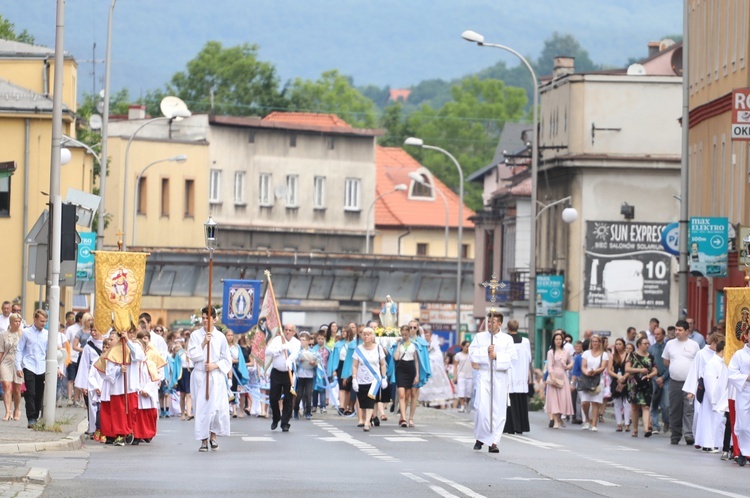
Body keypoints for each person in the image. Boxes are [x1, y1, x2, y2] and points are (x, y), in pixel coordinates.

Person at [469, 310, 516, 453]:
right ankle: (480, 437)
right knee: (482, 409)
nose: (489, 324)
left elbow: (512, 358)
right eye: (488, 321)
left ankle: (494, 441)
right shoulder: (480, 337)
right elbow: (472, 355)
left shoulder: (507, 339)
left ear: (499, 323)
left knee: (497, 410)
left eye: (493, 322)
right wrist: (485, 351)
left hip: (499, 376)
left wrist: (497, 356)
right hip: (484, 375)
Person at [187, 306, 231, 451]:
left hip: (215, 377)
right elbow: (191, 355)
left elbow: (226, 360)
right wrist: (203, 343)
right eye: (203, 318)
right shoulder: (195, 335)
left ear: (214, 319)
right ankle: (203, 440)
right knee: (202, 409)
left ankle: (213, 436)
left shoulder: (220, 337)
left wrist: (215, 365)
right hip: (200, 376)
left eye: (208, 318)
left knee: (216, 409)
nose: (205, 321)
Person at [96, 328, 146, 446]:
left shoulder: (135, 346)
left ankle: (128, 430)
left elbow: (139, 356)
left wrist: (128, 341)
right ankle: (119, 435)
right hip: (118, 387)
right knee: (118, 412)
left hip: (131, 386)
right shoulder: (113, 351)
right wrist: (119, 369)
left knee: (132, 410)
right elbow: (108, 372)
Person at [662, 319, 700, 445]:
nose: (677, 332)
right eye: (676, 329)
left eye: (680, 330)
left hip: (689, 383)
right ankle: (675, 434)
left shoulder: (694, 345)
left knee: (689, 408)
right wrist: (676, 368)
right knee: (674, 409)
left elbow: (698, 363)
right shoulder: (670, 344)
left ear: (687, 331)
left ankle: (689, 434)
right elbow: (666, 361)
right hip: (675, 382)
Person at [683, 332, 719, 450]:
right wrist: (691, 390)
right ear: (713, 342)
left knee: (715, 417)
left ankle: (712, 441)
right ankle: (701, 440)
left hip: (716, 388)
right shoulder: (701, 354)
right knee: (700, 415)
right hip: (703, 388)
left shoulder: (720, 354)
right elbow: (694, 371)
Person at [14, 309, 48, 428]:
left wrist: (57, 368)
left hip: (42, 367)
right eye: (41, 321)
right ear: (35, 319)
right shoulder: (26, 332)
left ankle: (36, 415)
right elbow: (19, 350)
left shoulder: (47, 334)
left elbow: (50, 352)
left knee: (39, 394)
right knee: (30, 393)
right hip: (29, 366)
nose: (43, 324)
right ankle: (31, 418)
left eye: (45, 321)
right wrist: (18, 366)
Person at [265, 322, 301, 433]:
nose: (288, 332)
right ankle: (276, 417)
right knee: (273, 398)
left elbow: (295, 354)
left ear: (294, 332)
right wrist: (279, 349)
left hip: (288, 373)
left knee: (288, 399)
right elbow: (267, 351)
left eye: (290, 330)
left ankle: (285, 423)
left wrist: (289, 360)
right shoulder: (277, 340)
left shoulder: (297, 342)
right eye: (286, 329)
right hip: (276, 372)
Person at [352, 327, 387, 431]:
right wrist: (354, 379)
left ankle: (367, 422)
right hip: (361, 379)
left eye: (368, 334)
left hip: (374, 379)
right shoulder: (358, 349)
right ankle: (366, 419)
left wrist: (384, 377)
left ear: (372, 336)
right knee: (363, 401)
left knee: (370, 400)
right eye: (364, 334)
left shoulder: (378, 348)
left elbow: (383, 364)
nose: (366, 336)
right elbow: (355, 365)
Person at [74, 326, 105, 437]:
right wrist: (83, 385)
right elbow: (84, 366)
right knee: (92, 405)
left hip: (105, 377)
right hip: (92, 377)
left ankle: (103, 428)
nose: (93, 333)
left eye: (95, 330)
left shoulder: (107, 343)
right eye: (91, 330)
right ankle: (93, 427)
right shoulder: (88, 346)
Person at [699, 339, 728, 454]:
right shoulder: (712, 363)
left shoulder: (722, 362)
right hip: (714, 398)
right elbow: (710, 383)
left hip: (720, 398)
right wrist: (714, 400)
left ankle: (715, 443)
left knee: (717, 422)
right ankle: (709, 444)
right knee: (711, 421)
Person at [625, 337, 657, 437]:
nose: (647, 345)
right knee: (635, 407)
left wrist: (649, 375)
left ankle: (647, 428)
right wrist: (640, 370)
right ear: (639, 345)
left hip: (646, 383)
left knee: (646, 406)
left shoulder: (650, 357)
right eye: (645, 343)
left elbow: (655, 370)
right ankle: (635, 429)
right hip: (634, 383)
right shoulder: (632, 355)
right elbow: (627, 369)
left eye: (648, 343)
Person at [418, 325, 454, 408]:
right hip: (426, 366)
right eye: (425, 335)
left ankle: (436, 400)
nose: (427, 336)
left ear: (431, 336)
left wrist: (431, 358)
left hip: (435, 367)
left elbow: (438, 356)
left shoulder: (435, 344)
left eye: (428, 335)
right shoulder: (422, 343)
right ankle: (424, 400)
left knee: (436, 383)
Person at [728, 333, 750, 466]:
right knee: (742, 426)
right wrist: (746, 377)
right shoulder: (739, 355)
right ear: (747, 335)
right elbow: (732, 372)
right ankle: (742, 450)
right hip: (744, 390)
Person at [579, 334, 609, 431]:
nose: (595, 343)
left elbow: (603, 366)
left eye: (597, 341)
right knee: (584, 402)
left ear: (600, 343)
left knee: (595, 402)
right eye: (593, 341)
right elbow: (583, 365)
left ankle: (594, 424)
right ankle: (587, 419)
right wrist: (586, 372)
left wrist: (595, 371)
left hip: (597, 379)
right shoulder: (586, 353)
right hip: (587, 378)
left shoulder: (604, 354)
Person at [544, 331, 573, 430]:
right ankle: (556, 421)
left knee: (563, 399)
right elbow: (550, 366)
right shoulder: (551, 352)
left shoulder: (566, 352)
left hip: (563, 377)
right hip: (554, 377)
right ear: (553, 340)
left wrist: (567, 367)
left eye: (560, 339)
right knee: (554, 400)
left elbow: (571, 362)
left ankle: (559, 417)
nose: (558, 341)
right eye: (556, 339)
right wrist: (552, 378)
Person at [393, 324, 420, 428]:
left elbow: (416, 361)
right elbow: (396, 357)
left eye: (406, 334)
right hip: (401, 369)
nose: (404, 336)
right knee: (401, 394)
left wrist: (417, 375)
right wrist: (399, 344)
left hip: (410, 369)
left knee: (407, 395)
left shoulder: (414, 345)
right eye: (402, 334)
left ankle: (403, 416)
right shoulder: (399, 344)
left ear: (409, 333)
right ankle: (404, 418)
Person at [0, 313, 24, 421]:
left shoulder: (22, 334)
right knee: (6, 386)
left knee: (17, 389)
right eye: (16, 321)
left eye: (19, 321)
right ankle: (8, 411)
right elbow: (1, 350)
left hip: (18, 362)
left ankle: (17, 409)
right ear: (11, 322)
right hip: (6, 361)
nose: (18, 323)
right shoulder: (3, 335)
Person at [648, 326, 670, 434]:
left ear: (663, 335)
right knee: (654, 402)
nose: (656, 336)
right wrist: (656, 378)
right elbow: (649, 365)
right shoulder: (651, 349)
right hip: (654, 378)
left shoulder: (668, 347)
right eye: (655, 334)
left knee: (666, 404)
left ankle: (667, 421)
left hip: (666, 377)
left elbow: (671, 365)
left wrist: (663, 377)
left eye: (658, 334)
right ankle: (655, 425)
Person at [608, 338, 631, 432]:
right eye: (616, 344)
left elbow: (629, 369)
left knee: (627, 402)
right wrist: (617, 376)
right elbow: (609, 370)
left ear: (624, 345)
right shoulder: (612, 356)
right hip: (616, 380)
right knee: (617, 403)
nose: (618, 346)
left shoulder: (628, 355)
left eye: (620, 344)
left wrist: (624, 377)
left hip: (626, 380)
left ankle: (627, 423)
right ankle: (619, 423)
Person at [294, 331, 316, 421]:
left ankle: (308, 411)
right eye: (301, 340)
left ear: (308, 341)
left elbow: (318, 361)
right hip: (300, 375)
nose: (302, 342)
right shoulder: (297, 351)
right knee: (299, 394)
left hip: (309, 375)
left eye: (304, 340)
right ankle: (296, 410)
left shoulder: (313, 352)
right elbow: (294, 361)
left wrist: (314, 363)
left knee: (308, 394)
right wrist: (299, 361)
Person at [453, 340, 473, 413]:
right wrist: (455, 376)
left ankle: (467, 403)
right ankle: (462, 406)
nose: (468, 348)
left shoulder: (471, 355)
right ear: (462, 346)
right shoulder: (458, 355)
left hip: (470, 376)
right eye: (467, 346)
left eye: (469, 346)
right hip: (461, 375)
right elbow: (455, 366)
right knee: (461, 391)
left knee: (469, 392)